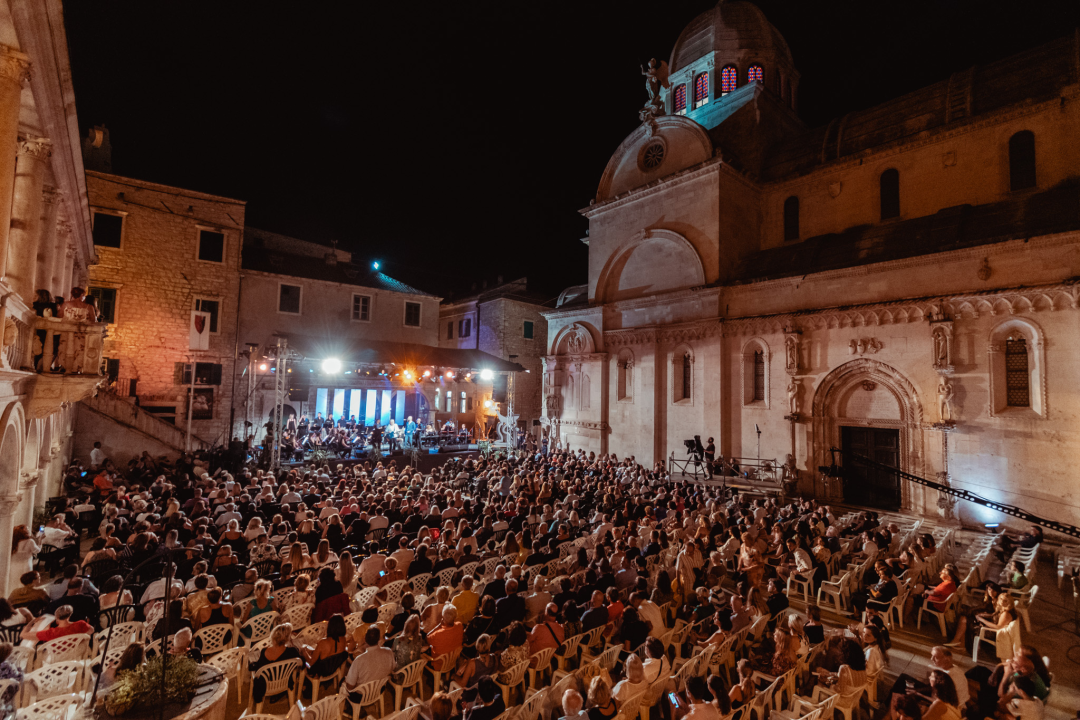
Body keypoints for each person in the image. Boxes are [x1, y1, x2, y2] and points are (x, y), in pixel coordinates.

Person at [250, 623, 302, 706]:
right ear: (287, 638)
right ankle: (281, 693)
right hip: (284, 682)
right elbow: (301, 663)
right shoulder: (292, 652)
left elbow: (259, 670)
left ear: (273, 637)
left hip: (267, 685)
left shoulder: (264, 651)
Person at [345, 626, 395, 701]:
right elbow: (392, 669)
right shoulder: (389, 652)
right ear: (378, 639)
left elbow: (350, 687)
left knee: (343, 684)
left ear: (365, 639)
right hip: (379, 690)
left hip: (360, 696)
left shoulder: (359, 660)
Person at [9, 526, 39, 594]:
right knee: (26, 581)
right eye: (27, 529)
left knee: (14, 581)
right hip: (26, 564)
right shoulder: (30, 541)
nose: (29, 530)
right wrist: (40, 541)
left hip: (14, 564)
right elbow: (37, 551)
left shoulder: (14, 541)